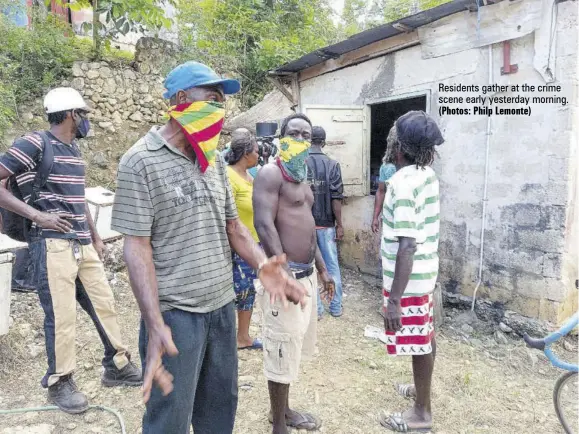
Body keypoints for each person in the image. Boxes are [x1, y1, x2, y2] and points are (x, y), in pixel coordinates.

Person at [110, 61, 308, 434]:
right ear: (182, 100)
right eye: (213, 99)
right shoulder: (139, 161)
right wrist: (155, 325)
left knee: (219, 411)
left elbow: (234, 226)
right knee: (169, 418)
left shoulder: (214, 161)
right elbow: (137, 248)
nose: (220, 111)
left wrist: (264, 265)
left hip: (221, 307)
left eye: (222, 103)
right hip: (176, 315)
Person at [0, 87, 142, 415]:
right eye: (84, 113)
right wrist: (38, 215)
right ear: (69, 114)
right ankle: (60, 381)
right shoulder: (34, 143)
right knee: (62, 316)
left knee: (104, 303)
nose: (87, 119)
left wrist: (94, 236)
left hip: (81, 242)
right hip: (50, 242)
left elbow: (78, 198)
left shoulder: (73, 149)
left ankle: (117, 365)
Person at [253, 113, 335, 434]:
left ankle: (284, 411)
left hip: (306, 277)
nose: (299, 140)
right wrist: (284, 274)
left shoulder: (302, 179)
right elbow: (264, 225)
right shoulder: (271, 175)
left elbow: (308, 230)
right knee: (280, 347)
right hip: (284, 280)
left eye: (305, 135)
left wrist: (324, 269)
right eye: (293, 134)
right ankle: (278, 424)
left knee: (292, 346)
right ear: (281, 138)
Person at [378, 111, 443, 433]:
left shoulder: (402, 184)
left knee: (418, 344)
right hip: (424, 275)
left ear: (398, 147)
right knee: (424, 338)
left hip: (410, 281)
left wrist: (395, 301)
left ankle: (421, 414)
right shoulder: (426, 174)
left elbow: (407, 245)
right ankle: (421, 391)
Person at [225, 127, 263, 350]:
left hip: (252, 243)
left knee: (248, 291)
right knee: (239, 291)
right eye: (256, 151)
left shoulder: (250, 175)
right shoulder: (229, 176)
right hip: (237, 245)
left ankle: (243, 335)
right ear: (245, 153)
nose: (259, 155)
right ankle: (236, 337)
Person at [305, 126, 345, 318]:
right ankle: (335, 306)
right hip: (327, 225)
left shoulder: (301, 163)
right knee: (331, 266)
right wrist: (340, 224)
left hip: (305, 226)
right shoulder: (332, 164)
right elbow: (336, 199)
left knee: (310, 268)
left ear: (309, 140)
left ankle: (317, 310)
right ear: (324, 142)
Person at [371, 156, 397, 234]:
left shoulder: (419, 169)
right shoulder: (387, 166)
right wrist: (375, 217)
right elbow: (381, 191)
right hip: (390, 218)